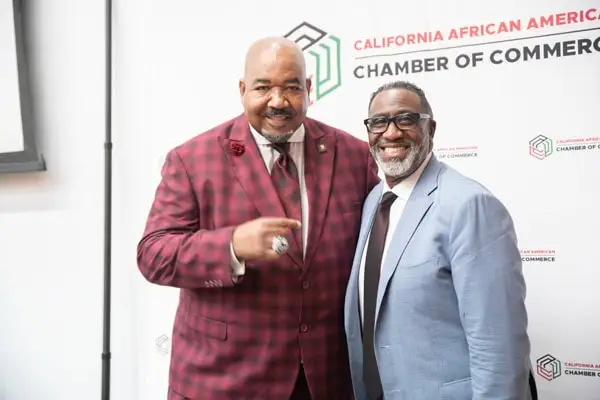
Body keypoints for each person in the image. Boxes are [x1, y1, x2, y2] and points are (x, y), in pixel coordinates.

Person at [137, 36, 380, 400]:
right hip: (224, 380)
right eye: (263, 87)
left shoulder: (353, 156)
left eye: (292, 87)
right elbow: (153, 255)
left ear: (309, 89)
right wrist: (231, 246)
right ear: (242, 90)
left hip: (326, 379)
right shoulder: (192, 159)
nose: (278, 101)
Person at [343, 81, 538, 400]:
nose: (391, 132)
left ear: (430, 129)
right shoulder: (373, 202)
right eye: (379, 122)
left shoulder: (469, 205)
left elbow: (499, 347)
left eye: (405, 119)